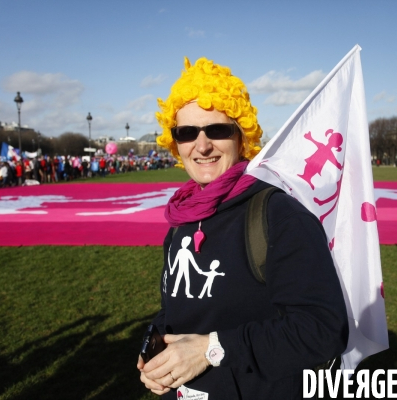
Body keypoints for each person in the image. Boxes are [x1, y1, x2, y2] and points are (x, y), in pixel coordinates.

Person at [138, 57, 348, 399]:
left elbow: (322, 329)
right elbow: (176, 310)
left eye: (217, 130)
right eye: (187, 133)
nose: (202, 145)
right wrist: (155, 346)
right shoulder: (181, 221)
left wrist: (210, 349)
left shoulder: (278, 216)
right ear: (175, 143)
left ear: (241, 136)